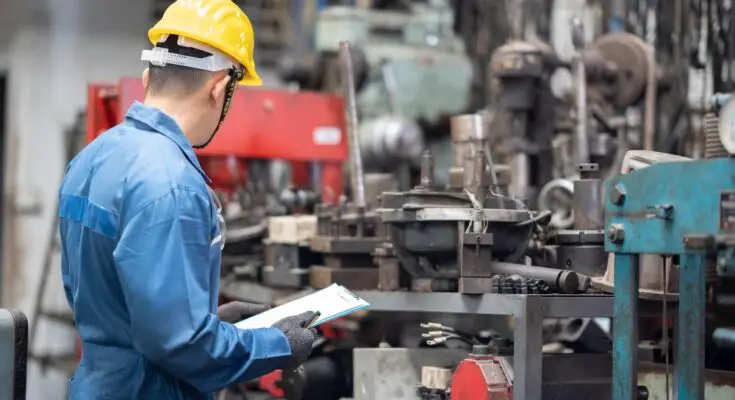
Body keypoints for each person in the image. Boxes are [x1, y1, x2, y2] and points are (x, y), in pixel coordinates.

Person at [58, 1, 316, 398]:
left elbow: (104, 296)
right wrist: (277, 345)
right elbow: (180, 345)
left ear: (149, 76)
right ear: (220, 88)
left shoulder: (91, 158)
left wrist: (207, 321)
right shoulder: (174, 185)